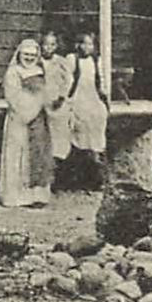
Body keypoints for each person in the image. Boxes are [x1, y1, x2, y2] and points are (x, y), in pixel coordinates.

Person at [0, 38, 53, 207]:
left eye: (32, 55)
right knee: (18, 156)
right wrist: (32, 108)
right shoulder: (13, 72)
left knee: (38, 155)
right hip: (20, 118)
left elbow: (47, 92)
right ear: (19, 54)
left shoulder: (40, 70)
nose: (29, 58)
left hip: (39, 119)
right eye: (26, 54)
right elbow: (13, 97)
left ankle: (37, 196)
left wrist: (45, 103)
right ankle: (16, 196)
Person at [65, 30, 109, 186]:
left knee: (97, 122)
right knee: (79, 129)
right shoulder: (72, 59)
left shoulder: (96, 61)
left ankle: (96, 171)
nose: (87, 47)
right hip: (77, 98)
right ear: (78, 45)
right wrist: (66, 100)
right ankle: (77, 172)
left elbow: (100, 81)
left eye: (90, 44)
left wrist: (103, 96)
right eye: (84, 43)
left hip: (93, 98)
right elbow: (67, 81)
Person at [39, 30, 74, 168]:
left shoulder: (61, 62)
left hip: (56, 101)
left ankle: (57, 165)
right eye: (46, 44)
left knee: (58, 133)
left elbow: (68, 80)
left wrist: (61, 96)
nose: (49, 48)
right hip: (40, 100)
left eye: (52, 45)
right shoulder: (36, 61)